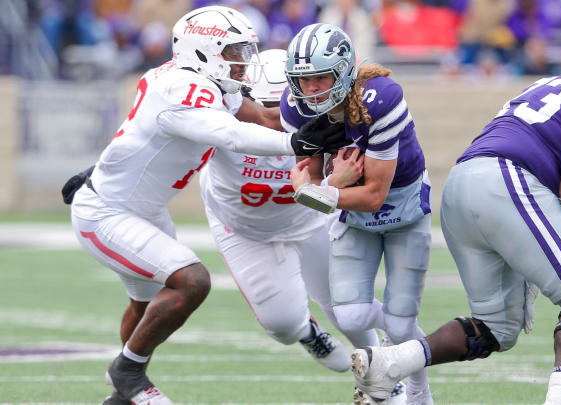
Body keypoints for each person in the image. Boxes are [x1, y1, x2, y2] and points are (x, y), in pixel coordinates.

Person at [349, 26, 561, 405]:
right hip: (506, 180)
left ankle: (389, 363)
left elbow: (559, 183)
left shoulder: (549, 83)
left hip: (463, 186)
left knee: (497, 328)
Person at [63, 6, 347, 405]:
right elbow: (231, 135)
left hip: (143, 209)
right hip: (107, 213)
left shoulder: (198, 82)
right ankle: (128, 372)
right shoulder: (183, 89)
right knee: (191, 281)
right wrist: (297, 144)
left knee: (145, 304)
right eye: (234, 51)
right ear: (203, 51)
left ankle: (121, 394)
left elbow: (262, 119)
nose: (243, 61)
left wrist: (328, 124)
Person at [284, 24, 434, 404]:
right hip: (352, 210)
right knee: (350, 318)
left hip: (402, 205)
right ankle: (404, 335)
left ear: (344, 71)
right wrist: (331, 184)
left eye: (321, 77)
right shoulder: (293, 105)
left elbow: (373, 195)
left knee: (400, 324)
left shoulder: (379, 98)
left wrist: (325, 189)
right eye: (304, 81)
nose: (312, 89)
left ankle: (419, 390)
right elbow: (312, 184)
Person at [197, 48, 368, 374]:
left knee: (348, 307)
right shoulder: (217, 122)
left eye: (287, 106)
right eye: (267, 106)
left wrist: (336, 182)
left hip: (310, 220)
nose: (278, 118)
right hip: (245, 230)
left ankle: (383, 373)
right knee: (283, 325)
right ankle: (307, 331)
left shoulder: (326, 120)